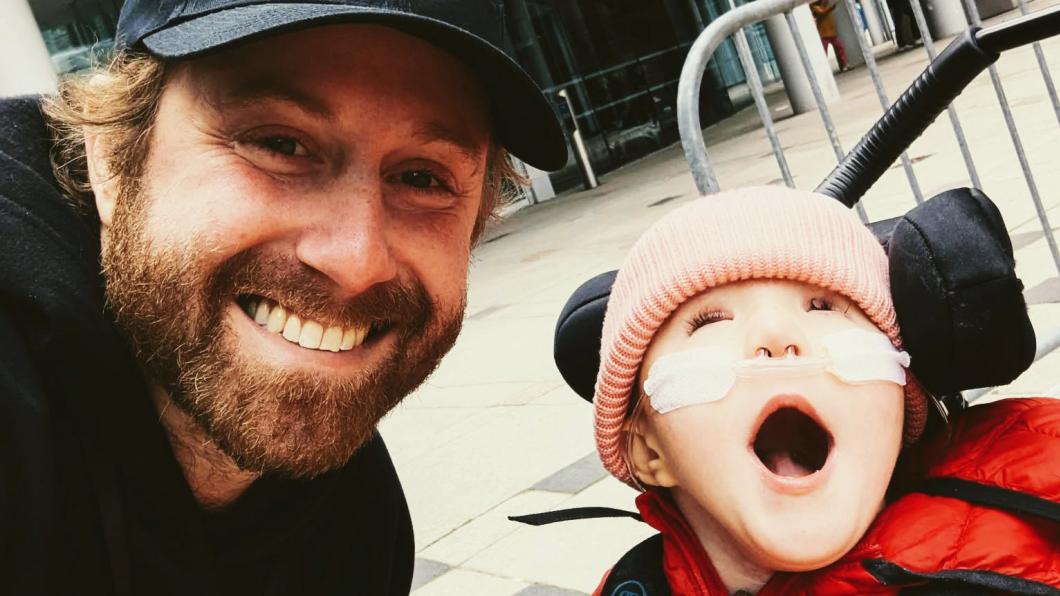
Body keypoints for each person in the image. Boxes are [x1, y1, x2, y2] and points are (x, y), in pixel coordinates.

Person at [0, 1, 566, 594]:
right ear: (113, 162)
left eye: (422, 178)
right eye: (279, 144)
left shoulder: (359, 525)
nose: (357, 261)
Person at [589, 187, 1058, 594]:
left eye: (822, 306)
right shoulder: (629, 587)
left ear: (899, 403)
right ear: (649, 450)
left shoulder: (1033, 526)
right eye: (710, 321)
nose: (774, 335)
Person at [810, 0, 849, 72]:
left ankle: (845, 64)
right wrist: (831, 7)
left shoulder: (823, 5)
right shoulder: (814, 7)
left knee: (840, 48)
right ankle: (824, 69)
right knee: (824, 52)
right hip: (824, 33)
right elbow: (821, 12)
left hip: (831, 32)